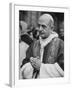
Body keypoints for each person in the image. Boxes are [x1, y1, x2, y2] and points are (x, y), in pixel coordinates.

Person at [20, 14, 64, 79]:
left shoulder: (60, 44)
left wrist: (41, 67)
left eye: (43, 26)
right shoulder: (34, 44)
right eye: (39, 26)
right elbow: (24, 66)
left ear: (52, 28)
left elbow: (64, 69)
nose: (40, 29)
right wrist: (32, 66)